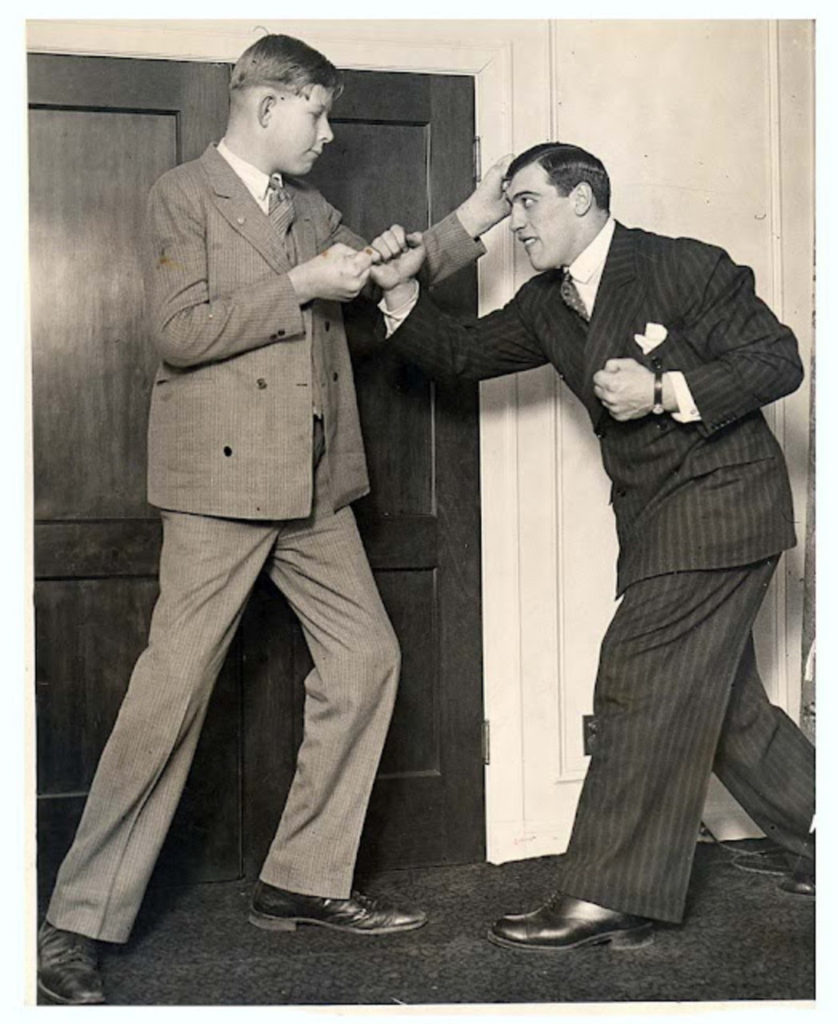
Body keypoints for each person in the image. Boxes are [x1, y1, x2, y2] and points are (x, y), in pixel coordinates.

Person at [36, 34, 508, 1004]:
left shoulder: (308, 208)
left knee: (366, 659)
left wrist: (473, 215)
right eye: (318, 114)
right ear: (266, 104)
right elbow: (178, 331)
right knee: (169, 694)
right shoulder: (183, 195)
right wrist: (298, 285)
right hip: (216, 490)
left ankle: (301, 879)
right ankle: (73, 924)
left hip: (311, 487)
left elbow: (380, 278)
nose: (329, 134)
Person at [375, 141, 816, 953]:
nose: (516, 223)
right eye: (508, 207)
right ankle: (821, 831)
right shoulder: (550, 303)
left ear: (582, 200)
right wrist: (402, 295)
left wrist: (665, 390)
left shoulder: (682, 265)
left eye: (529, 203)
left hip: (726, 507)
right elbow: (462, 355)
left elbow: (777, 359)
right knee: (721, 708)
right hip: (658, 521)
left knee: (636, 677)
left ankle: (608, 894)